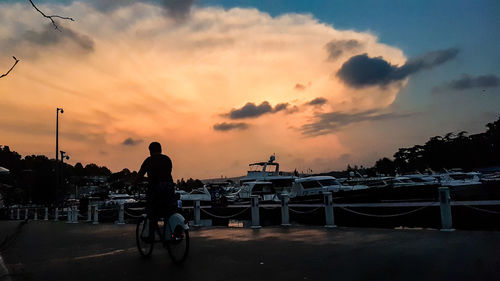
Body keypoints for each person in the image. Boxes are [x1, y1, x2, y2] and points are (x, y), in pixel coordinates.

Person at [136, 142, 177, 242]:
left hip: (155, 192)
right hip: (169, 191)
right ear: (161, 149)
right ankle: (170, 234)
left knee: (151, 213)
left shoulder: (148, 160)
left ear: (150, 151)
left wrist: (135, 184)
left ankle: (151, 235)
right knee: (169, 212)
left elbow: (139, 176)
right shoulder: (167, 159)